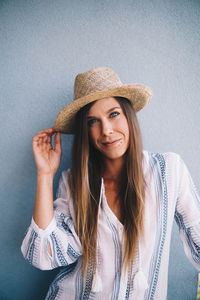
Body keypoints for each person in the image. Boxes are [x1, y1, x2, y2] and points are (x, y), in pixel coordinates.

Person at [21, 67, 200, 300]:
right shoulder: (75, 181)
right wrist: (45, 174)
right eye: (93, 121)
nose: (106, 130)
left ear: (128, 115)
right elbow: (47, 255)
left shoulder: (168, 170)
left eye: (113, 114)